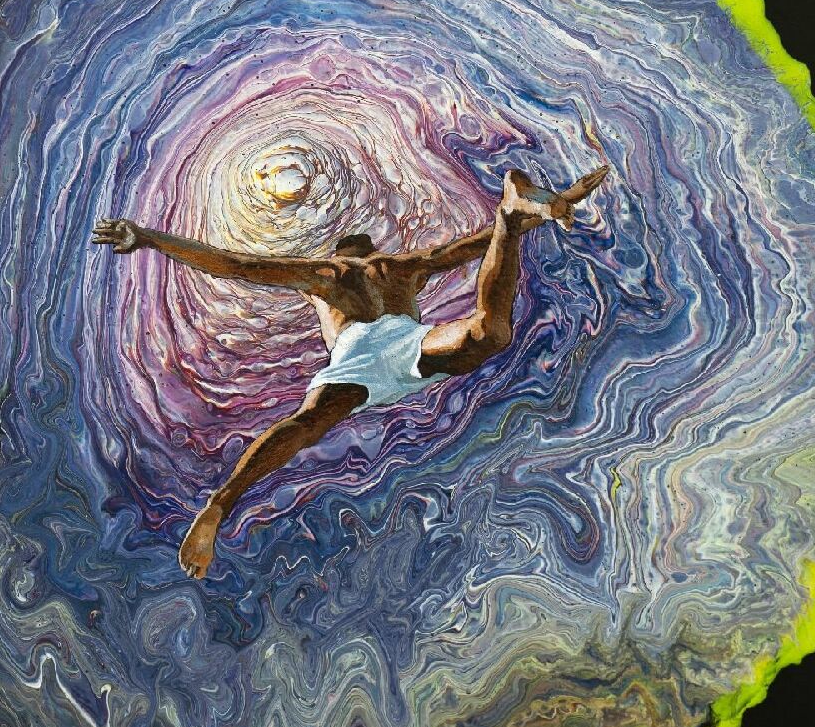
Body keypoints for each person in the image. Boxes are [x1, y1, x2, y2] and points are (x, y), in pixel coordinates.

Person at [92, 164, 609, 578]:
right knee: (487, 334)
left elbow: (236, 264)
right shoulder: (404, 266)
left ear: (338, 251)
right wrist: (555, 202)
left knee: (305, 425)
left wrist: (150, 238)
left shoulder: (325, 272)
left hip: (361, 351)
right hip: (406, 341)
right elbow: (477, 245)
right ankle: (512, 215)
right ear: (372, 250)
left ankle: (220, 505)